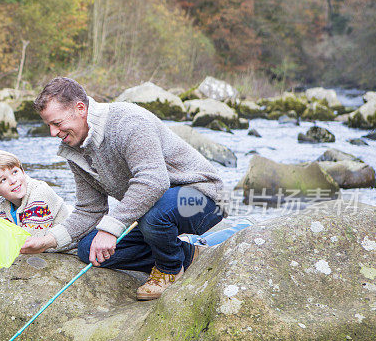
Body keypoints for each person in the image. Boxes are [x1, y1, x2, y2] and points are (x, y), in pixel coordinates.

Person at [21, 77, 224, 300]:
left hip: (202, 198)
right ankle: (188, 255)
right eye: (48, 125)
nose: (52, 132)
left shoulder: (128, 121)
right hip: (154, 209)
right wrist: (48, 240)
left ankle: (169, 269)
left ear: (80, 108)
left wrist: (110, 229)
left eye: (57, 123)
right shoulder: (75, 148)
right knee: (88, 249)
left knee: (152, 218)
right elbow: (90, 209)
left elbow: (153, 180)